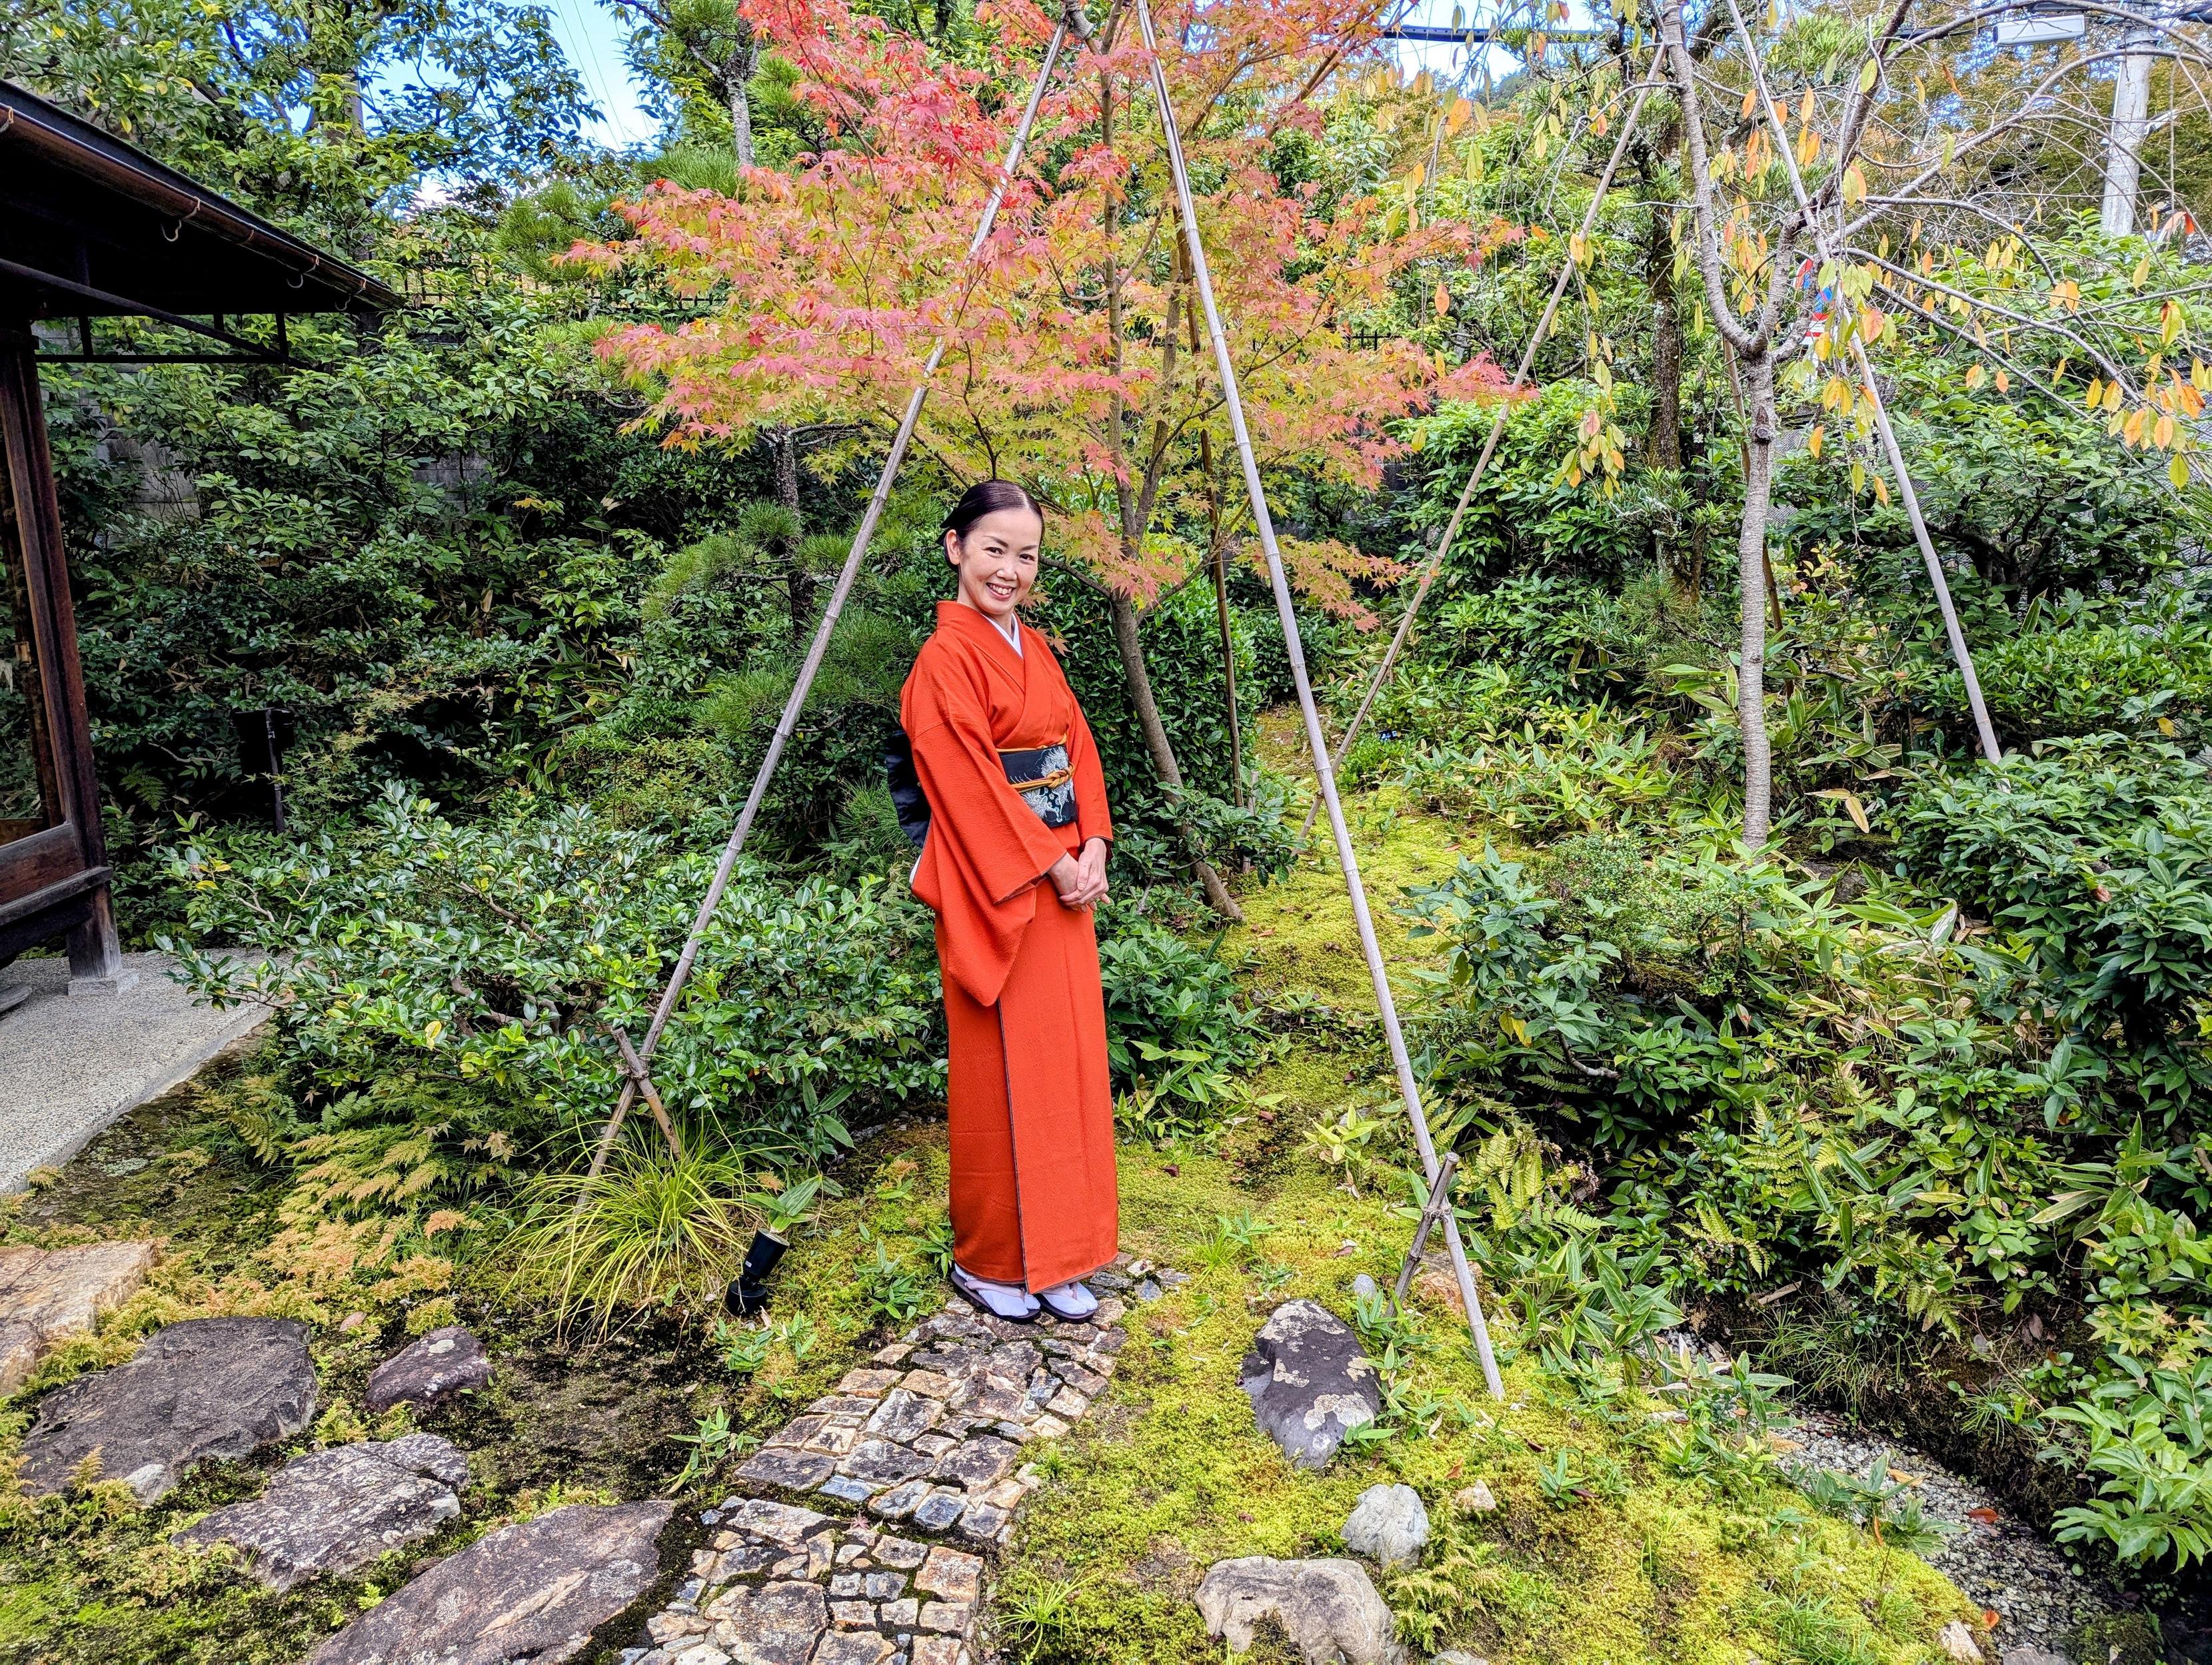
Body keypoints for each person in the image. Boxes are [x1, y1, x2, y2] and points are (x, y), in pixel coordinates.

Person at [898, 480, 1117, 1323]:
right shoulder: (943, 659)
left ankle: (1060, 1253)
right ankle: (990, 1258)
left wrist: (1092, 841)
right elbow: (964, 781)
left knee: (1065, 1070)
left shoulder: (1036, 648)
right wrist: (1051, 865)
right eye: (995, 548)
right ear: (955, 547)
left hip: (1064, 882)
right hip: (1002, 890)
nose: (1010, 569)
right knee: (998, 1077)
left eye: (1026, 555)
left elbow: (1077, 744)